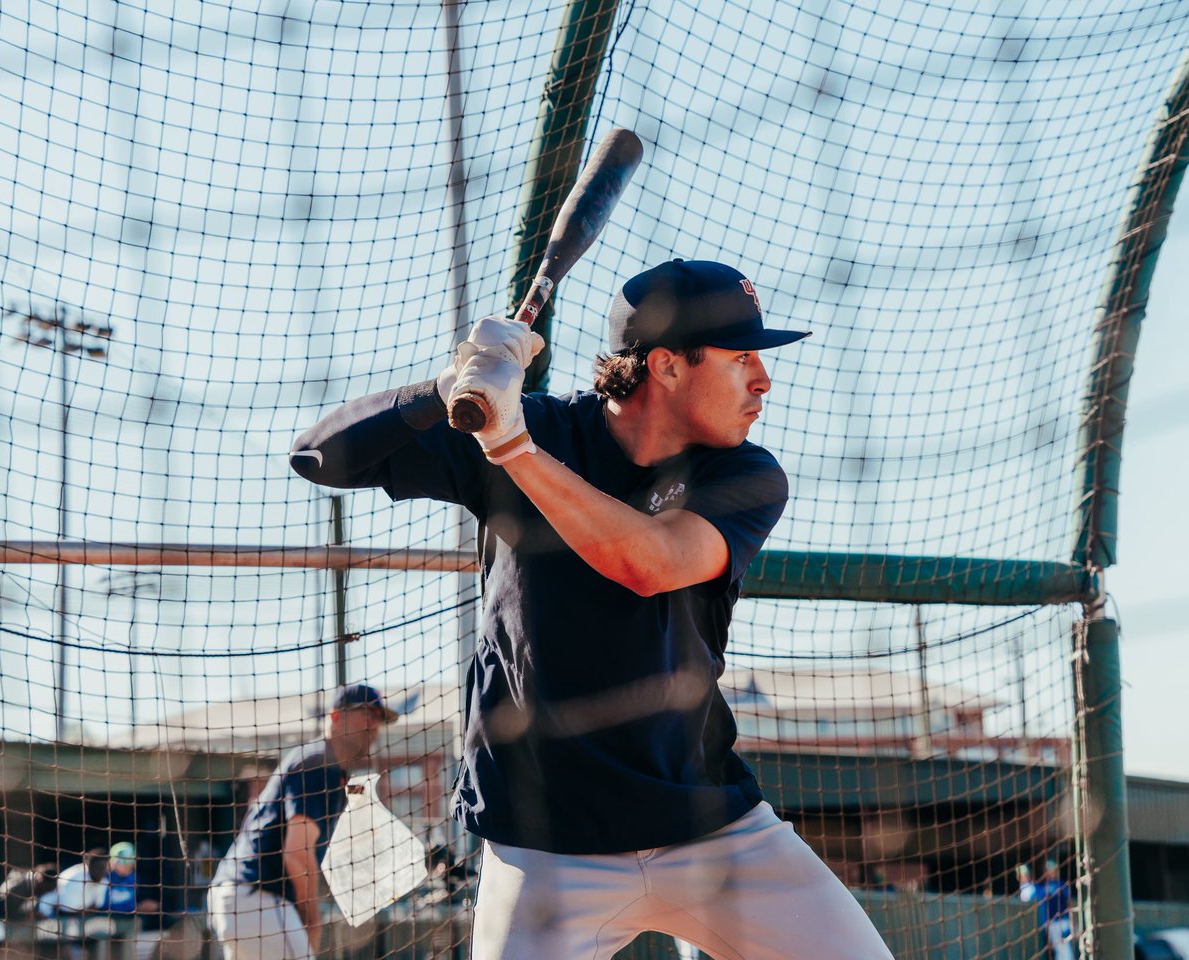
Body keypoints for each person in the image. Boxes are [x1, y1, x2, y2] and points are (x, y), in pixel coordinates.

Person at [290, 259, 895, 959]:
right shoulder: (540, 425)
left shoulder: (742, 473)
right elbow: (318, 456)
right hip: (544, 843)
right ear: (667, 365)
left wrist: (512, 448)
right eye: (741, 358)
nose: (762, 379)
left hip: (706, 826)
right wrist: (442, 389)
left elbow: (650, 564)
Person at [207, 684, 398, 960]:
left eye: (378, 718)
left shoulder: (327, 767)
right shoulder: (319, 764)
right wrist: (311, 918)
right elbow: (297, 853)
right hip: (257, 900)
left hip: (240, 899)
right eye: (366, 714)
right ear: (335, 716)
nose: (374, 725)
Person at [1018, 859, 1076, 960]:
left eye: (1051, 869)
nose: (1049, 872)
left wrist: (1073, 921)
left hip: (1063, 921)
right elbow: (1028, 896)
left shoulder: (1061, 884)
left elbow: (1069, 903)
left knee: (1065, 949)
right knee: (1058, 949)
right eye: (1048, 870)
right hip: (1051, 923)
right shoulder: (1042, 887)